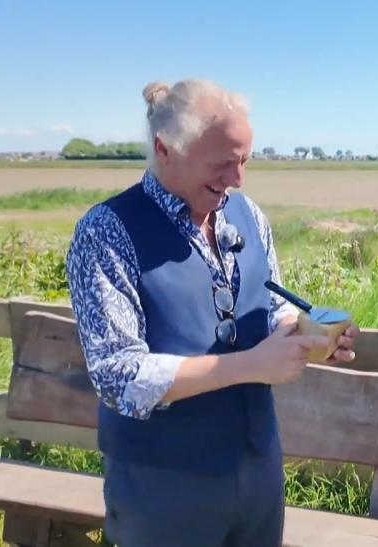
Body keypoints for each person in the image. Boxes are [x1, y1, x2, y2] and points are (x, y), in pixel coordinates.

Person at [66, 79, 359, 547]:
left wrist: (302, 332)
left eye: (244, 160)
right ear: (165, 149)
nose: (238, 178)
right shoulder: (105, 231)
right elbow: (117, 375)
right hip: (162, 486)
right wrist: (248, 365)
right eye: (222, 163)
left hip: (256, 471)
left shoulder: (248, 215)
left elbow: (268, 305)